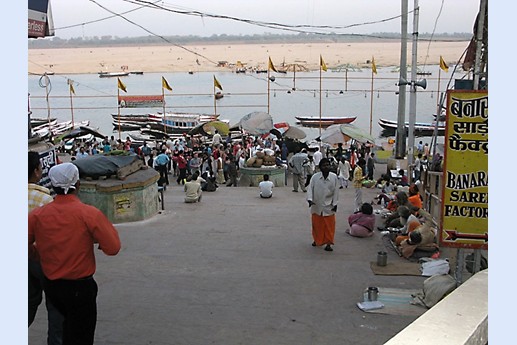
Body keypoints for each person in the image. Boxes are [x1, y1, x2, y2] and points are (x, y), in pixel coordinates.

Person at [28, 162, 121, 345]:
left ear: (53, 186)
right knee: (81, 336)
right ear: (77, 184)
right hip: (81, 288)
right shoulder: (89, 214)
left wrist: (36, 254)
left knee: (60, 328)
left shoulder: (38, 215)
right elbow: (113, 247)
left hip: (52, 285)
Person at [28, 151, 64, 345]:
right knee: (55, 305)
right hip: (40, 259)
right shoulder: (45, 200)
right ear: (36, 171)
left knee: (27, 303)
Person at [307, 158, 339, 252]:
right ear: (320, 167)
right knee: (316, 225)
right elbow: (310, 189)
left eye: (328, 165)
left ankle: (329, 243)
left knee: (329, 226)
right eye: (324, 165)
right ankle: (317, 240)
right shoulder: (315, 177)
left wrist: (335, 203)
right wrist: (309, 199)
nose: (326, 167)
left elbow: (336, 191)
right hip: (316, 204)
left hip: (329, 205)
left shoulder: (334, 177)